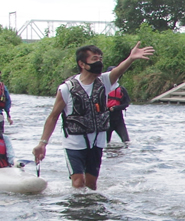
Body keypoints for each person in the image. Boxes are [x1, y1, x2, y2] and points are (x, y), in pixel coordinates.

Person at [32, 41, 154, 190]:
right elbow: (53, 117)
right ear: (82, 64)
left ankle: (91, 210)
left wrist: (131, 58)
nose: (99, 63)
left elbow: (118, 71)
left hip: (96, 141)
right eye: (95, 59)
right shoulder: (66, 89)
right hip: (74, 142)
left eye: (100, 59)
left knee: (91, 185)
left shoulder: (104, 82)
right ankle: (76, 210)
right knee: (78, 182)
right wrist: (42, 143)